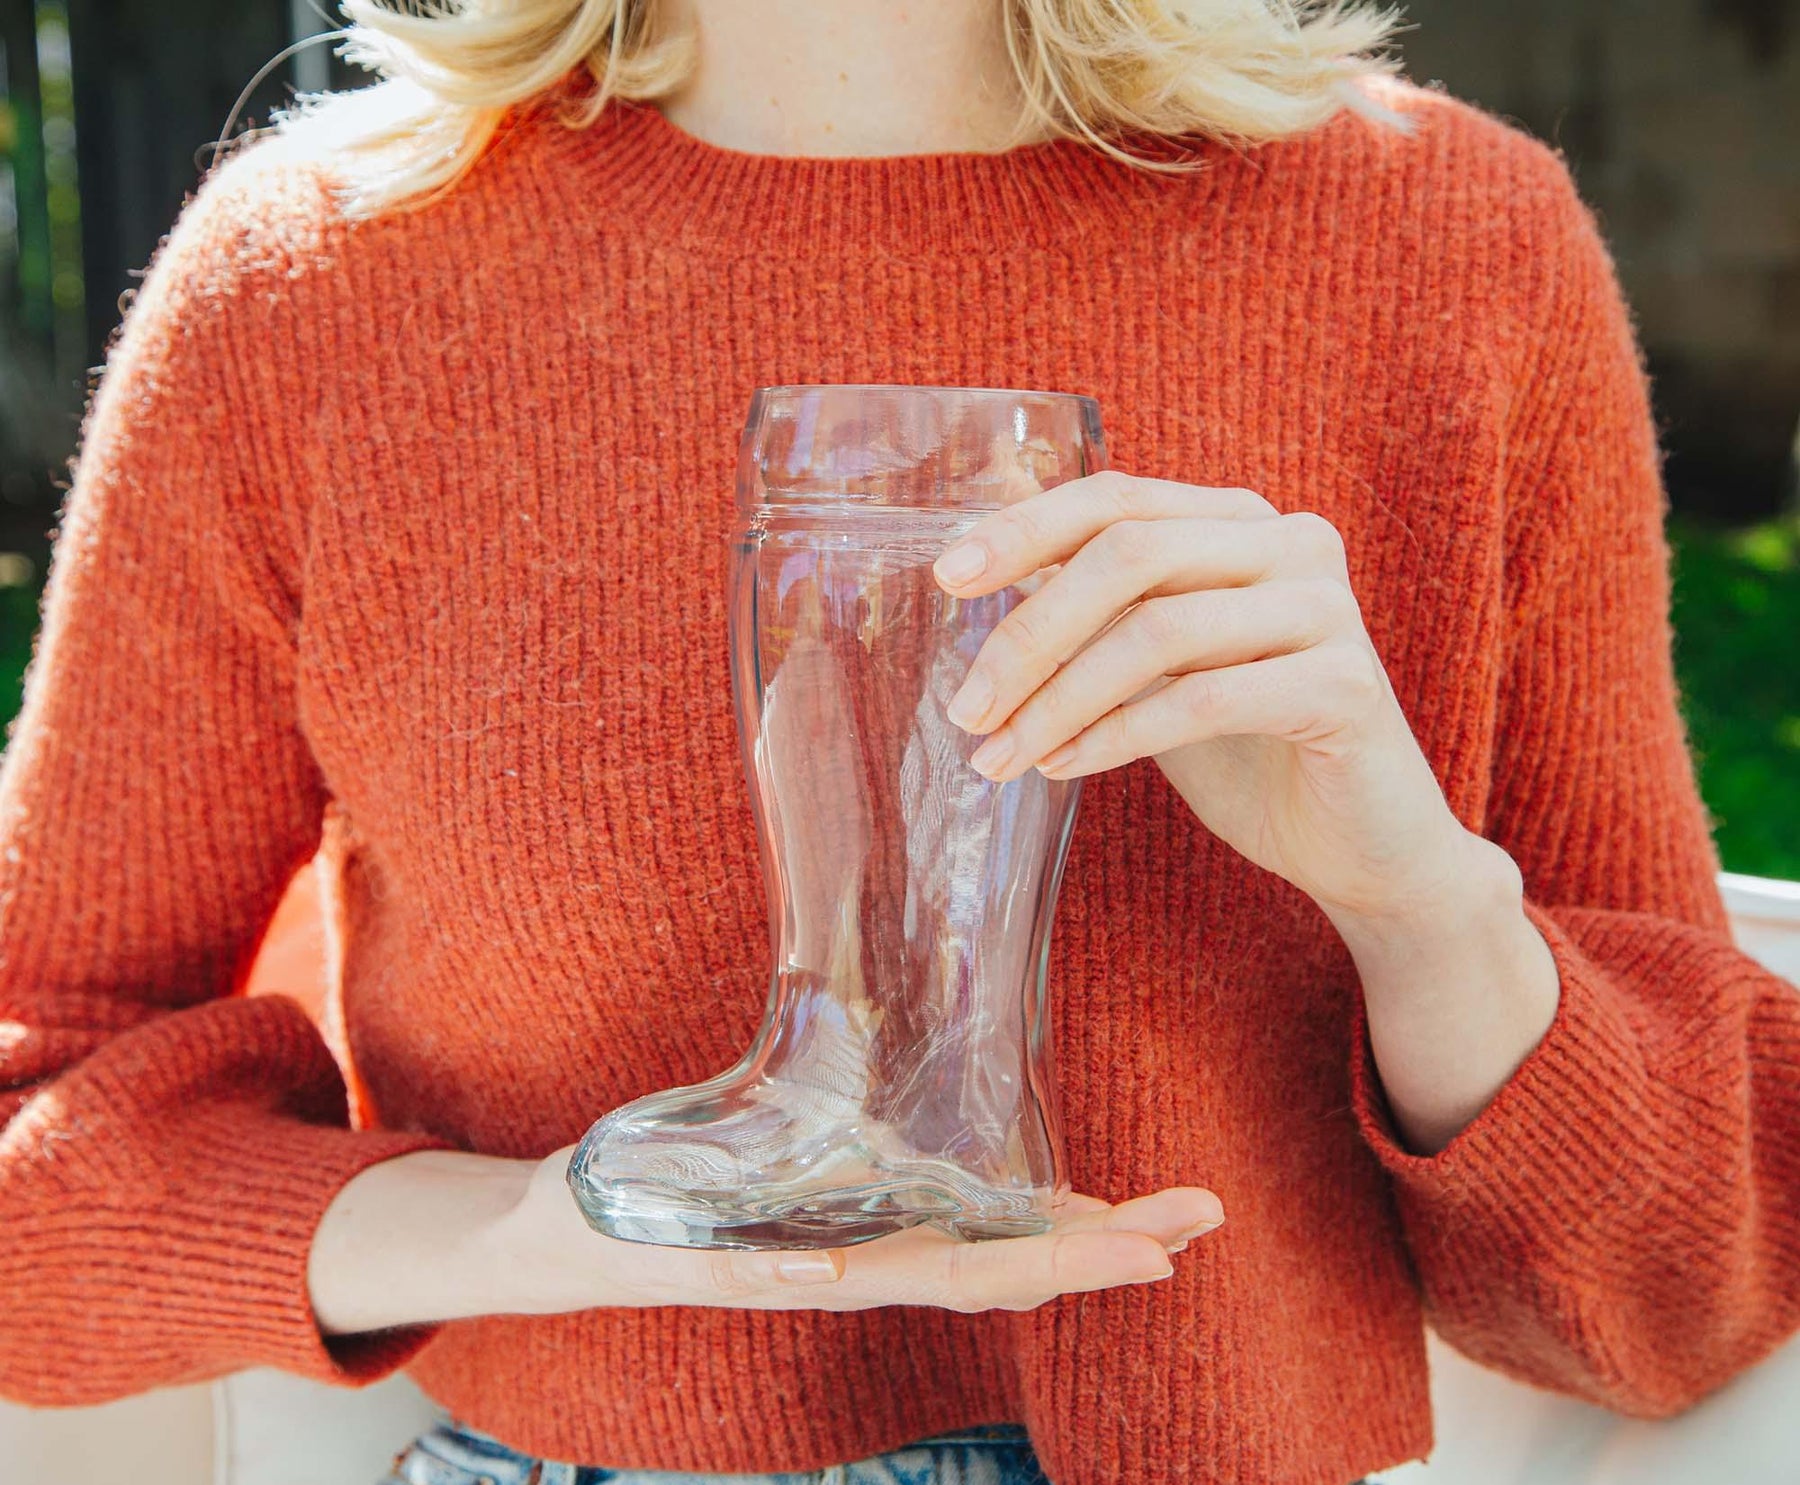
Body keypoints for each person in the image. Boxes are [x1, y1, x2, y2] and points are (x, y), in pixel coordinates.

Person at [1, 2, 1796, 1483]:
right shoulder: (309, 288)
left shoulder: (1452, 247)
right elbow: (32, 1144)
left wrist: (1414, 894)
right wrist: (524, 1227)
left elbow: (1687, 1293)